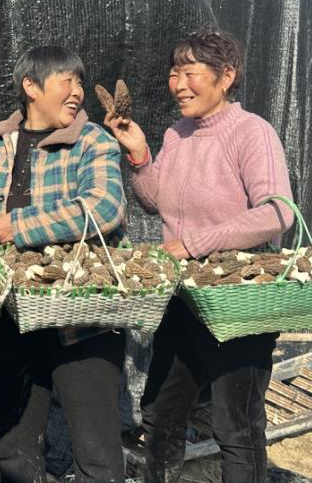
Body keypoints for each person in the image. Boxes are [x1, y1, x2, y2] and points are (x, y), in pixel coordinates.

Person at [104, 28, 294, 482]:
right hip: (185, 297)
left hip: (238, 299)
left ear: (226, 76)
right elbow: (156, 201)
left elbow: (278, 213)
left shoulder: (252, 133)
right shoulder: (178, 133)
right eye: (174, 73)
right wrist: (140, 157)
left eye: (191, 73)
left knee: (236, 424)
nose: (179, 85)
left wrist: (194, 243)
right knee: (160, 411)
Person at [0, 45, 127, 483]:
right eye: (67, 81)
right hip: (11, 316)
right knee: (16, 446)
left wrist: (21, 225)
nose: (78, 91)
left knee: (97, 454)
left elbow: (105, 208)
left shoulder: (92, 141)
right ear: (31, 86)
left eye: (80, 82)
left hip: (81, 317)